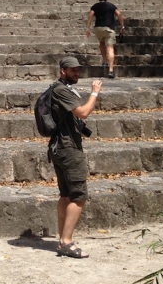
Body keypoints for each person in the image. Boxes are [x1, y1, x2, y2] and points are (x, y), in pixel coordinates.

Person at [48, 56, 102, 259]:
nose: (77, 74)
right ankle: (67, 241)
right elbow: (84, 112)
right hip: (68, 149)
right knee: (79, 196)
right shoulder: (62, 90)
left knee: (66, 195)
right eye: (73, 71)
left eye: (78, 70)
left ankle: (62, 239)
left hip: (59, 147)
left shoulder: (59, 89)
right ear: (63, 71)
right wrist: (95, 93)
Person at [85, 0, 125, 78]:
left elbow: (90, 15)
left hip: (98, 29)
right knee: (110, 48)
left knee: (102, 42)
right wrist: (122, 26)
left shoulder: (95, 6)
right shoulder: (111, 6)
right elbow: (119, 14)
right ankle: (110, 71)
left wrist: (87, 28)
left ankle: (105, 61)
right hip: (109, 29)